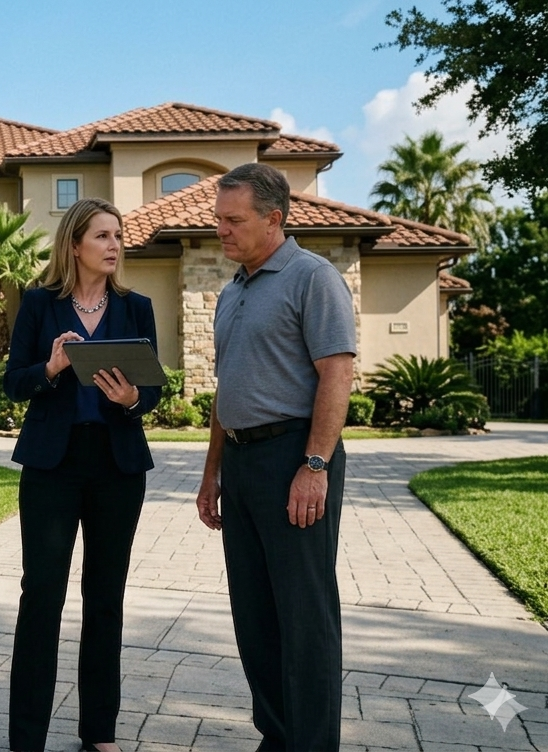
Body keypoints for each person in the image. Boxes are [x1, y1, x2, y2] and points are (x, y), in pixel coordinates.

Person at [194, 163, 355, 751]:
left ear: (274, 219)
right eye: (218, 219)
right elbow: (225, 388)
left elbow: (337, 374)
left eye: (233, 220)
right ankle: (279, 734)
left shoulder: (314, 278)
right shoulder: (232, 290)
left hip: (294, 457)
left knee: (304, 617)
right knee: (255, 616)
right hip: (240, 465)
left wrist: (314, 466)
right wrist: (212, 473)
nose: (222, 230)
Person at [4, 197, 162, 752]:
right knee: (41, 596)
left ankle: (99, 731)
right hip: (53, 466)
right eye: (102, 236)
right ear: (75, 244)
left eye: (118, 235)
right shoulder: (38, 305)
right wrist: (51, 367)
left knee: (105, 598)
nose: (115, 244)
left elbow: (154, 391)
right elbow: (13, 382)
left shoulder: (137, 307)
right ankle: (26, 737)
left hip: (117, 468)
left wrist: (132, 398)